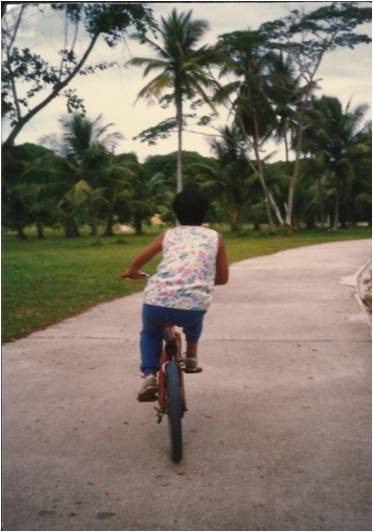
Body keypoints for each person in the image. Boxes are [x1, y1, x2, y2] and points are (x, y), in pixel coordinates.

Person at [121, 188, 229, 401]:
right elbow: (223, 279)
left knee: (151, 334)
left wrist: (133, 272)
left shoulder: (168, 235)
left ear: (175, 213)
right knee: (196, 311)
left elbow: (138, 261)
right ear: (205, 213)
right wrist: (202, 281)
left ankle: (150, 376)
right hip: (194, 307)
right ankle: (191, 356)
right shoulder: (216, 237)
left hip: (156, 302)